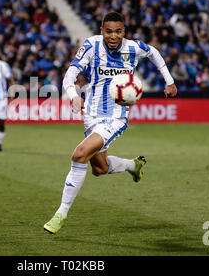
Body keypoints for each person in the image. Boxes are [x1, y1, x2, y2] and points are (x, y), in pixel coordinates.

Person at [43, 12, 177, 234]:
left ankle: (61, 214)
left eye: (118, 31)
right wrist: (73, 95)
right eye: (109, 31)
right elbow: (70, 74)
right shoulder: (91, 46)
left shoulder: (133, 47)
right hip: (91, 115)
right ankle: (134, 166)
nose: (113, 36)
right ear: (101, 29)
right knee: (99, 168)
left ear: (124, 31)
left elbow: (154, 53)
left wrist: (169, 82)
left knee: (79, 155)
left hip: (115, 117)